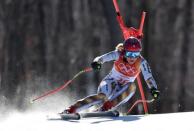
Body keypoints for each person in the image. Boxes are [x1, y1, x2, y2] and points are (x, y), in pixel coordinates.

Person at [61, 37, 160, 114]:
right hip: (110, 82)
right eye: (130, 53)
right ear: (125, 51)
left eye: (136, 54)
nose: (132, 58)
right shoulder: (118, 54)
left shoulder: (141, 62)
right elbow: (102, 58)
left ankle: (106, 107)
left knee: (132, 86)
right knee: (102, 97)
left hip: (122, 90)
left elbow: (148, 77)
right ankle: (72, 109)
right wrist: (97, 62)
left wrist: (153, 89)